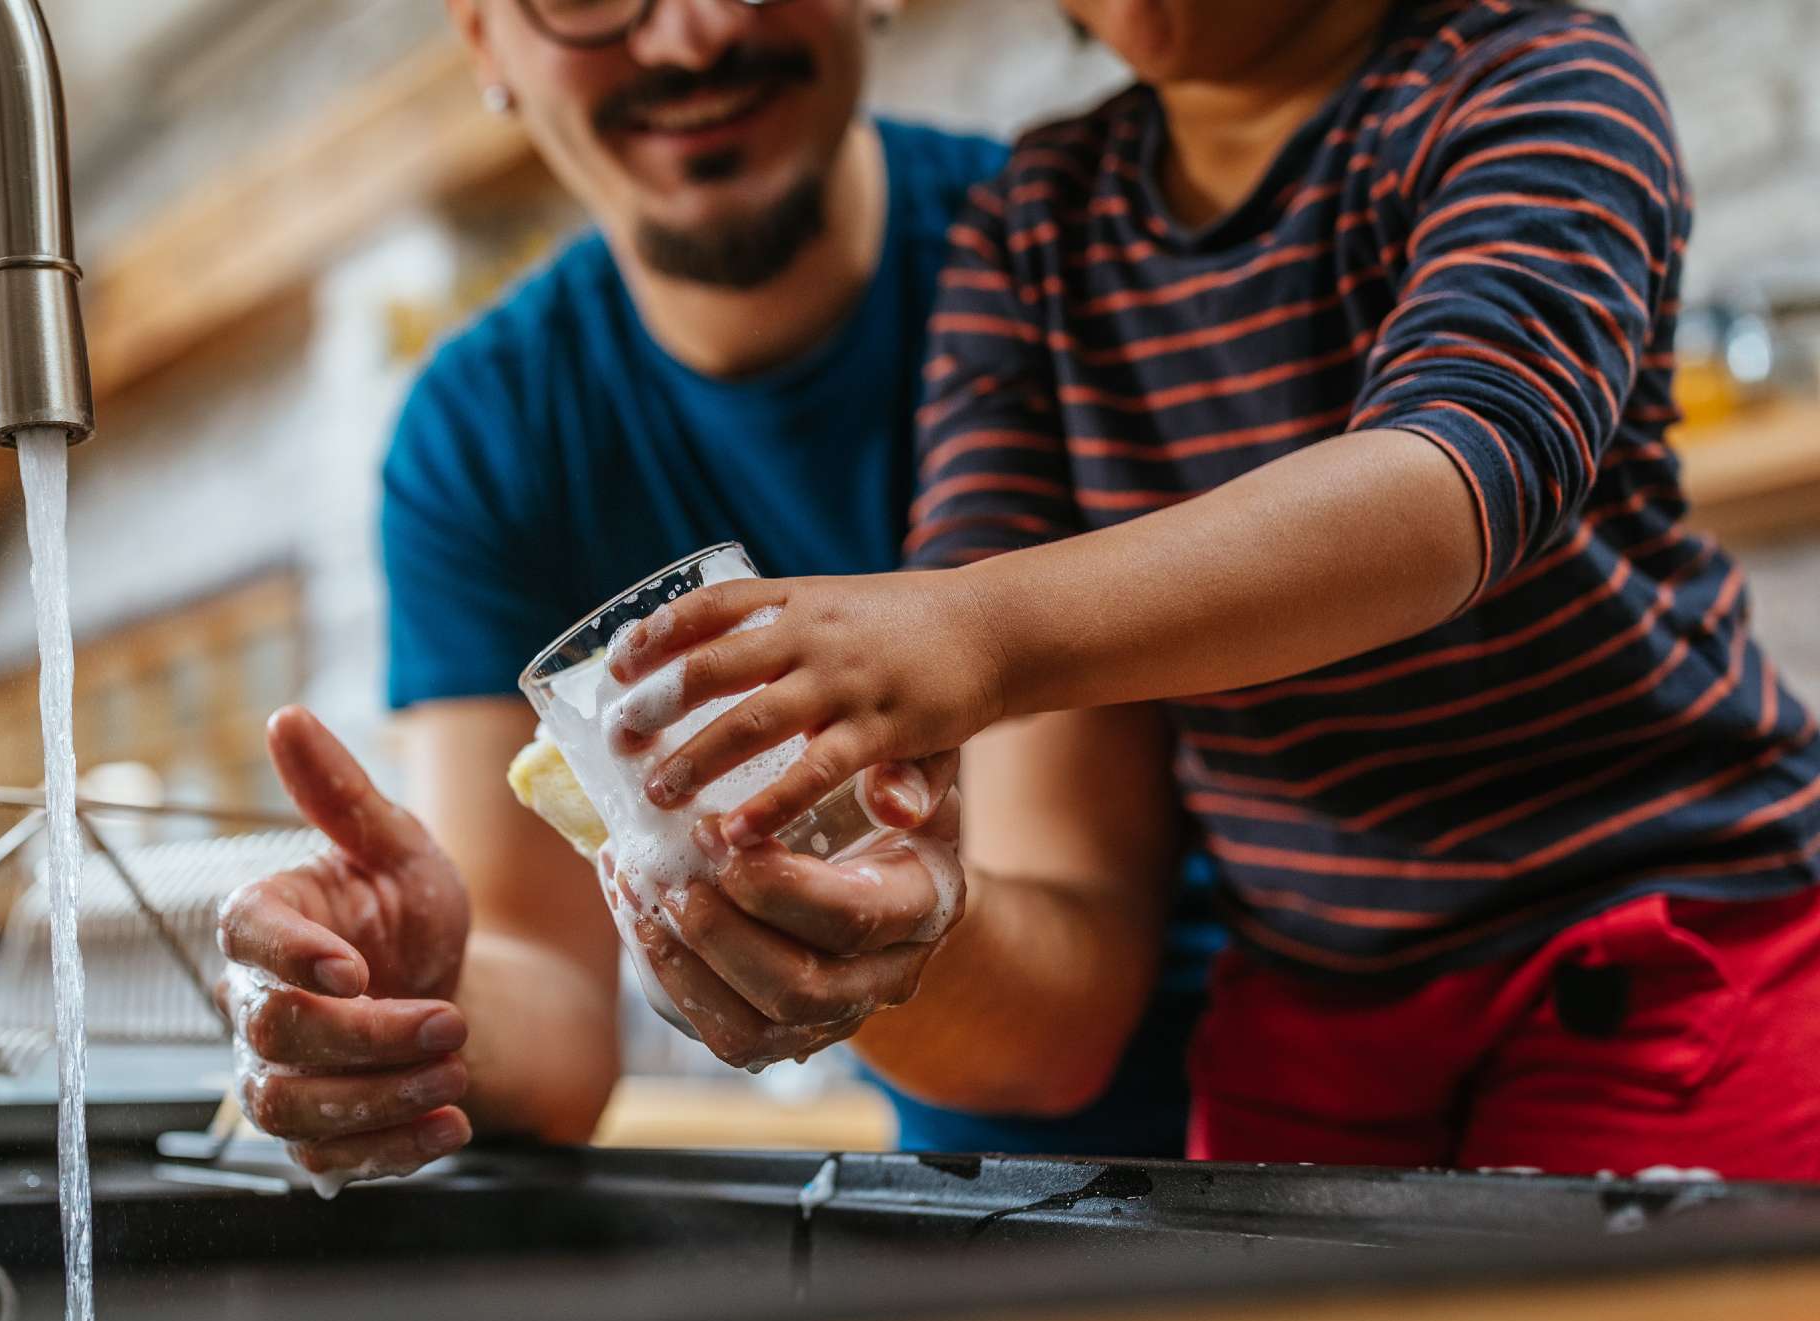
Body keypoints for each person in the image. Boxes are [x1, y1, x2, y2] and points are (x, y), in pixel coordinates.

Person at [612, 0, 1820, 1177]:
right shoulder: (1034, 226)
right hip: (1307, 1009)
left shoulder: (1530, 75)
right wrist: (872, 841)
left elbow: (1457, 482)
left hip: (1668, 942)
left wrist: (970, 634)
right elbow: (979, 618)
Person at [215, 0, 1223, 1187]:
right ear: (483, 40)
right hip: (981, 1204)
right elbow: (550, 1007)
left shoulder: (1045, 270)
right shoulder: (484, 433)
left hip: (1289, 1150)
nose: (690, 39)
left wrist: (851, 921)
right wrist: (415, 1005)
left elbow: (1062, 1025)